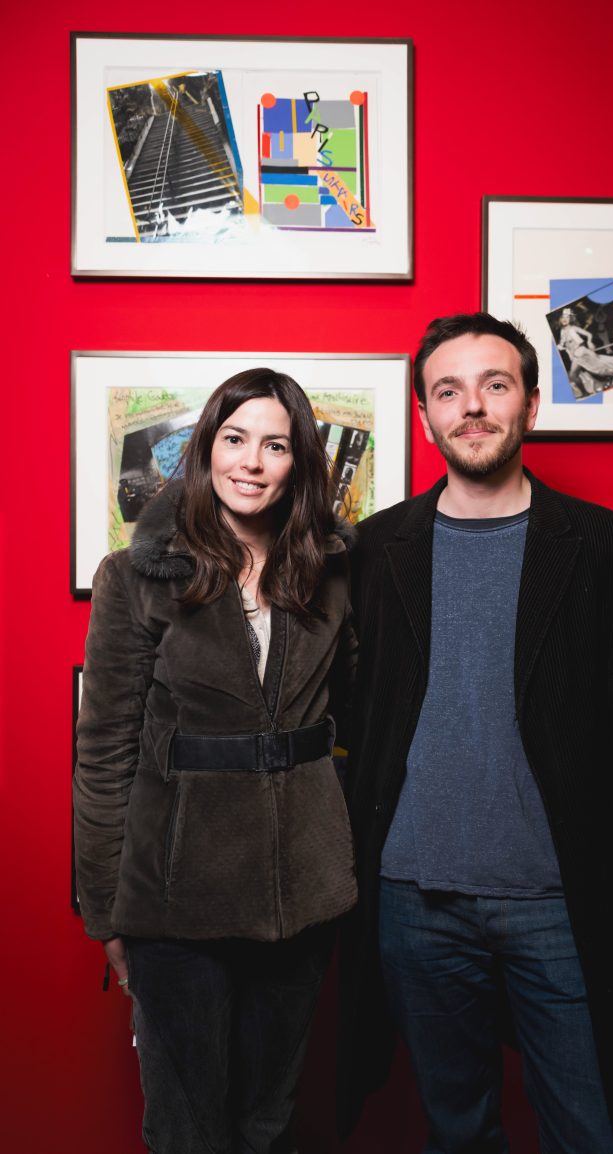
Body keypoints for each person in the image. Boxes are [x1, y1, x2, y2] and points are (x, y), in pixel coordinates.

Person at [338, 313, 613, 1154]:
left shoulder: (608, 550)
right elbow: (360, 717)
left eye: (494, 385)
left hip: (558, 899)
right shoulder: (375, 550)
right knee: (457, 1127)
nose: (471, 407)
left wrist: (581, 859)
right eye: (449, 391)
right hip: (415, 899)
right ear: (425, 416)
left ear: (530, 405)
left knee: (594, 1130)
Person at [74, 368, 357, 1154]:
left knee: (268, 1124)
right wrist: (106, 910)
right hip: (174, 902)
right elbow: (103, 753)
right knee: (188, 1130)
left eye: (274, 444)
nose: (251, 462)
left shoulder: (330, 575)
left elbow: (358, 723)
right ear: (204, 450)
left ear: (299, 461)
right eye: (235, 439)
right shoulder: (133, 578)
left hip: (302, 896)